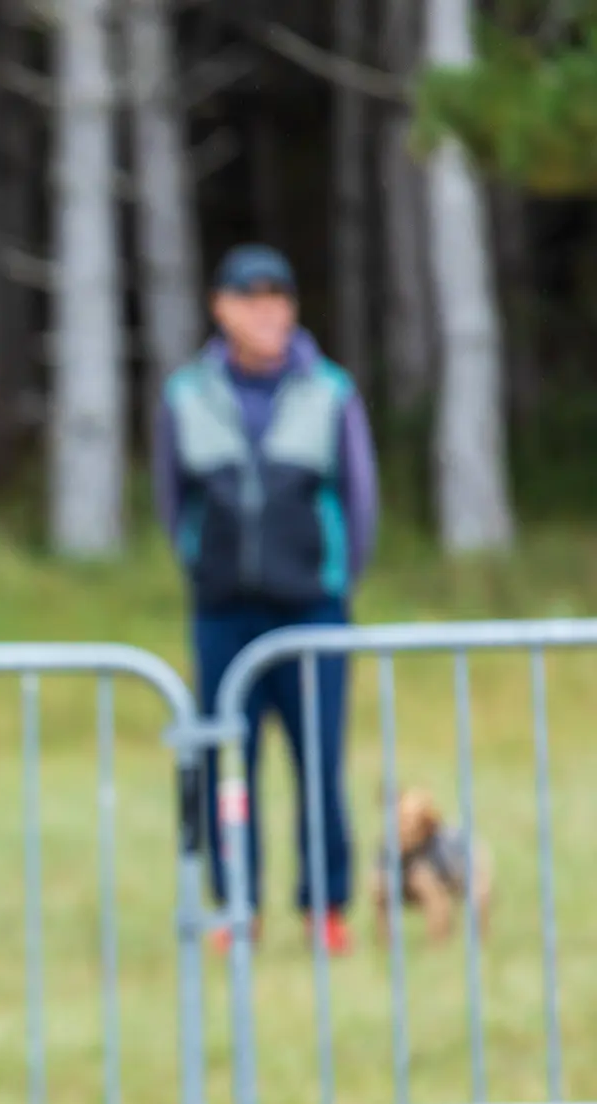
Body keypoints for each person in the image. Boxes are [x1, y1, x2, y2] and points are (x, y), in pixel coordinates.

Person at [153, 244, 379, 954]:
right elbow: (171, 498)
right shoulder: (186, 395)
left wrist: (335, 581)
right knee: (225, 765)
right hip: (223, 611)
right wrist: (200, 564)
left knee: (320, 760)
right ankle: (237, 905)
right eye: (253, 299)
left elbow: (359, 497)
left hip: (312, 608)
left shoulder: (330, 390)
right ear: (222, 308)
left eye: (280, 298)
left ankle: (326, 906)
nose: (269, 312)